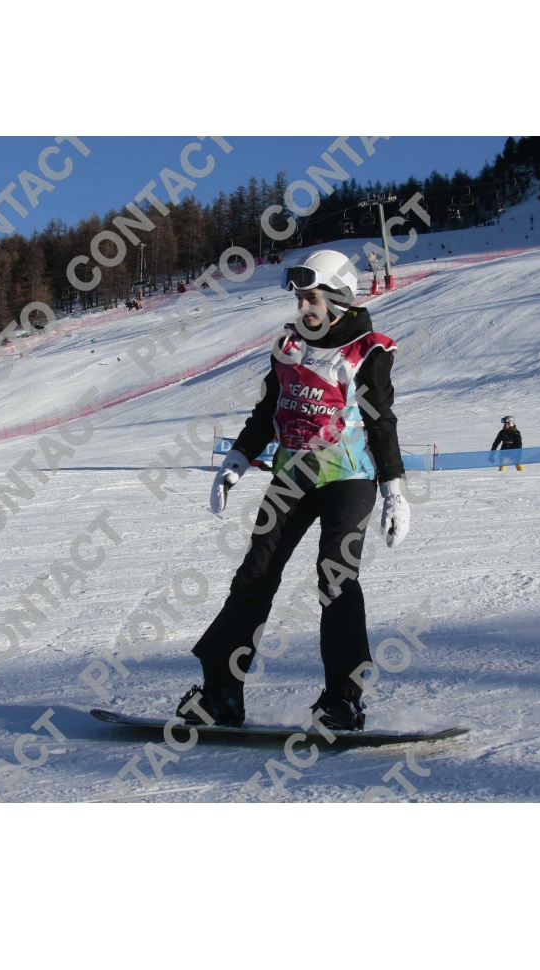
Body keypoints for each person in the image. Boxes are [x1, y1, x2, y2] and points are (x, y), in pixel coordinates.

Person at [175, 249, 410, 731]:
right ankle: (221, 693)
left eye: (311, 297)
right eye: (299, 298)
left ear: (338, 298)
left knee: (335, 577)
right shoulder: (288, 346)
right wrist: (237, 461)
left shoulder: (367, 351)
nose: (303, 306)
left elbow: (381, 422)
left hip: (349, 478)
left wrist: (395, 490)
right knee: (254, 576)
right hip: (291, 478)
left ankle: (343, 699)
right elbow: (267, 411)